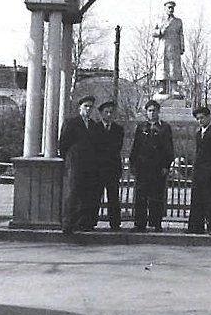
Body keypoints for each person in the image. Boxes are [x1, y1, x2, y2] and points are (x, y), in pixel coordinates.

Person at [128, 99, 174, 231]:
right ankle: (140, 224)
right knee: (141, 196)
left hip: (158, 168)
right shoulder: (141, 127)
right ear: (146, 112)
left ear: (158, 112)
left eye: (154, 110)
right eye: (149, 110)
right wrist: (133, 164)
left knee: (157, 196)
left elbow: (169, 148)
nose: (152, 113)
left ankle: (156, 223)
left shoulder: (165, 128)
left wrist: (166, 165)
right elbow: (136, 147)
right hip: (143, 167)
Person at [59, 95, 100, 235]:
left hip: (89, 165)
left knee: (86, 194)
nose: (88, 109)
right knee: (73, 193)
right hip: (75, 163)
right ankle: (68, 224)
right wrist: (69, 159)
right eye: (85, 106)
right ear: (80, 107)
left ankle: (82, 223)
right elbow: (63, 144)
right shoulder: (71, 123)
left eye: (90, 107)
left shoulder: (94, 125)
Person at [187, 105, 211, 235]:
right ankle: (196, 227)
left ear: (209, 117)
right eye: (198, 119)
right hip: (199, 174)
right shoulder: (199, 134)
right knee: (197, 200)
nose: (200, 121)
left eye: (202, 118)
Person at [93, 100, 125, 230]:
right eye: (106, 112)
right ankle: (91, 221)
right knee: (95, 195)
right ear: (101, 113)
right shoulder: (95, 128)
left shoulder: (118, 129)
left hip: (112, 167)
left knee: (113, 196)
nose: (109, 114)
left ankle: (115, 223)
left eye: (111, 112)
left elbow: (117, 147)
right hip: (98, 168)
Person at [153, 0, 185, 96]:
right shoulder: (159, 20)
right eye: (169, 7)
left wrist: (182, 46)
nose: (171, 9)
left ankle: (174, 88)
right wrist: (160, 31)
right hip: (163, 46)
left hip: (174, 47)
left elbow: (181, 34)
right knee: (163, 66)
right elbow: (153, 32)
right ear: (165, 8)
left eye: (172, 8)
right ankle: (162, 87)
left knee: (174, 67)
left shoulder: (178, 21)